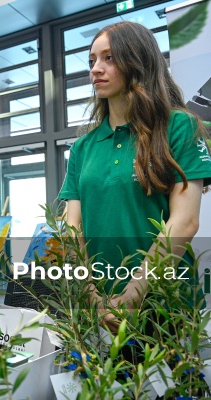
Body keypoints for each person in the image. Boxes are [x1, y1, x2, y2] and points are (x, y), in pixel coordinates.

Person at [59, 22, 211, 327]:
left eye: (109, 58)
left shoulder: (179, 127)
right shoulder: (83, 147)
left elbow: (185, 221)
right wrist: (92, 298)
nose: (96, 69)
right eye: (92, 61)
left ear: (138, 60)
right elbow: (71, 227)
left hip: (164, 305)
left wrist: (132, 296)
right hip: (98, 308)